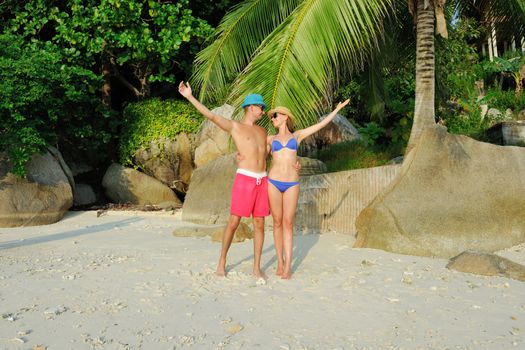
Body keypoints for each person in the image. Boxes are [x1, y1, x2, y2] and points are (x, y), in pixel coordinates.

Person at [178, 82, 270, 279]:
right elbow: (211, 116)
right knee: (234, 221)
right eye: (260, 107)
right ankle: (222, 261)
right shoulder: (235, 127)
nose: (263, 110)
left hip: (262, 180)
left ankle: (256, 267)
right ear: (251, 108)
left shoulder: (263, 132)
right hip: (245, 179)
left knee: (260, 223)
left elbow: (268, 152)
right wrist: (190, 97)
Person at [267, 100, 350, 279]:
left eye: (276, 115)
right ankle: (280, 263)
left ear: (285, 117)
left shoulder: (297, 135)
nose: (272, 118)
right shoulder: (270, 139)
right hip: (273, 181)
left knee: (288, 223)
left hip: (291, 183)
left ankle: (288, 266)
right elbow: (254, 148)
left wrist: (336, 109)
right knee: (277, 222)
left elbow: (321, 124)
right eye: (272, 116)